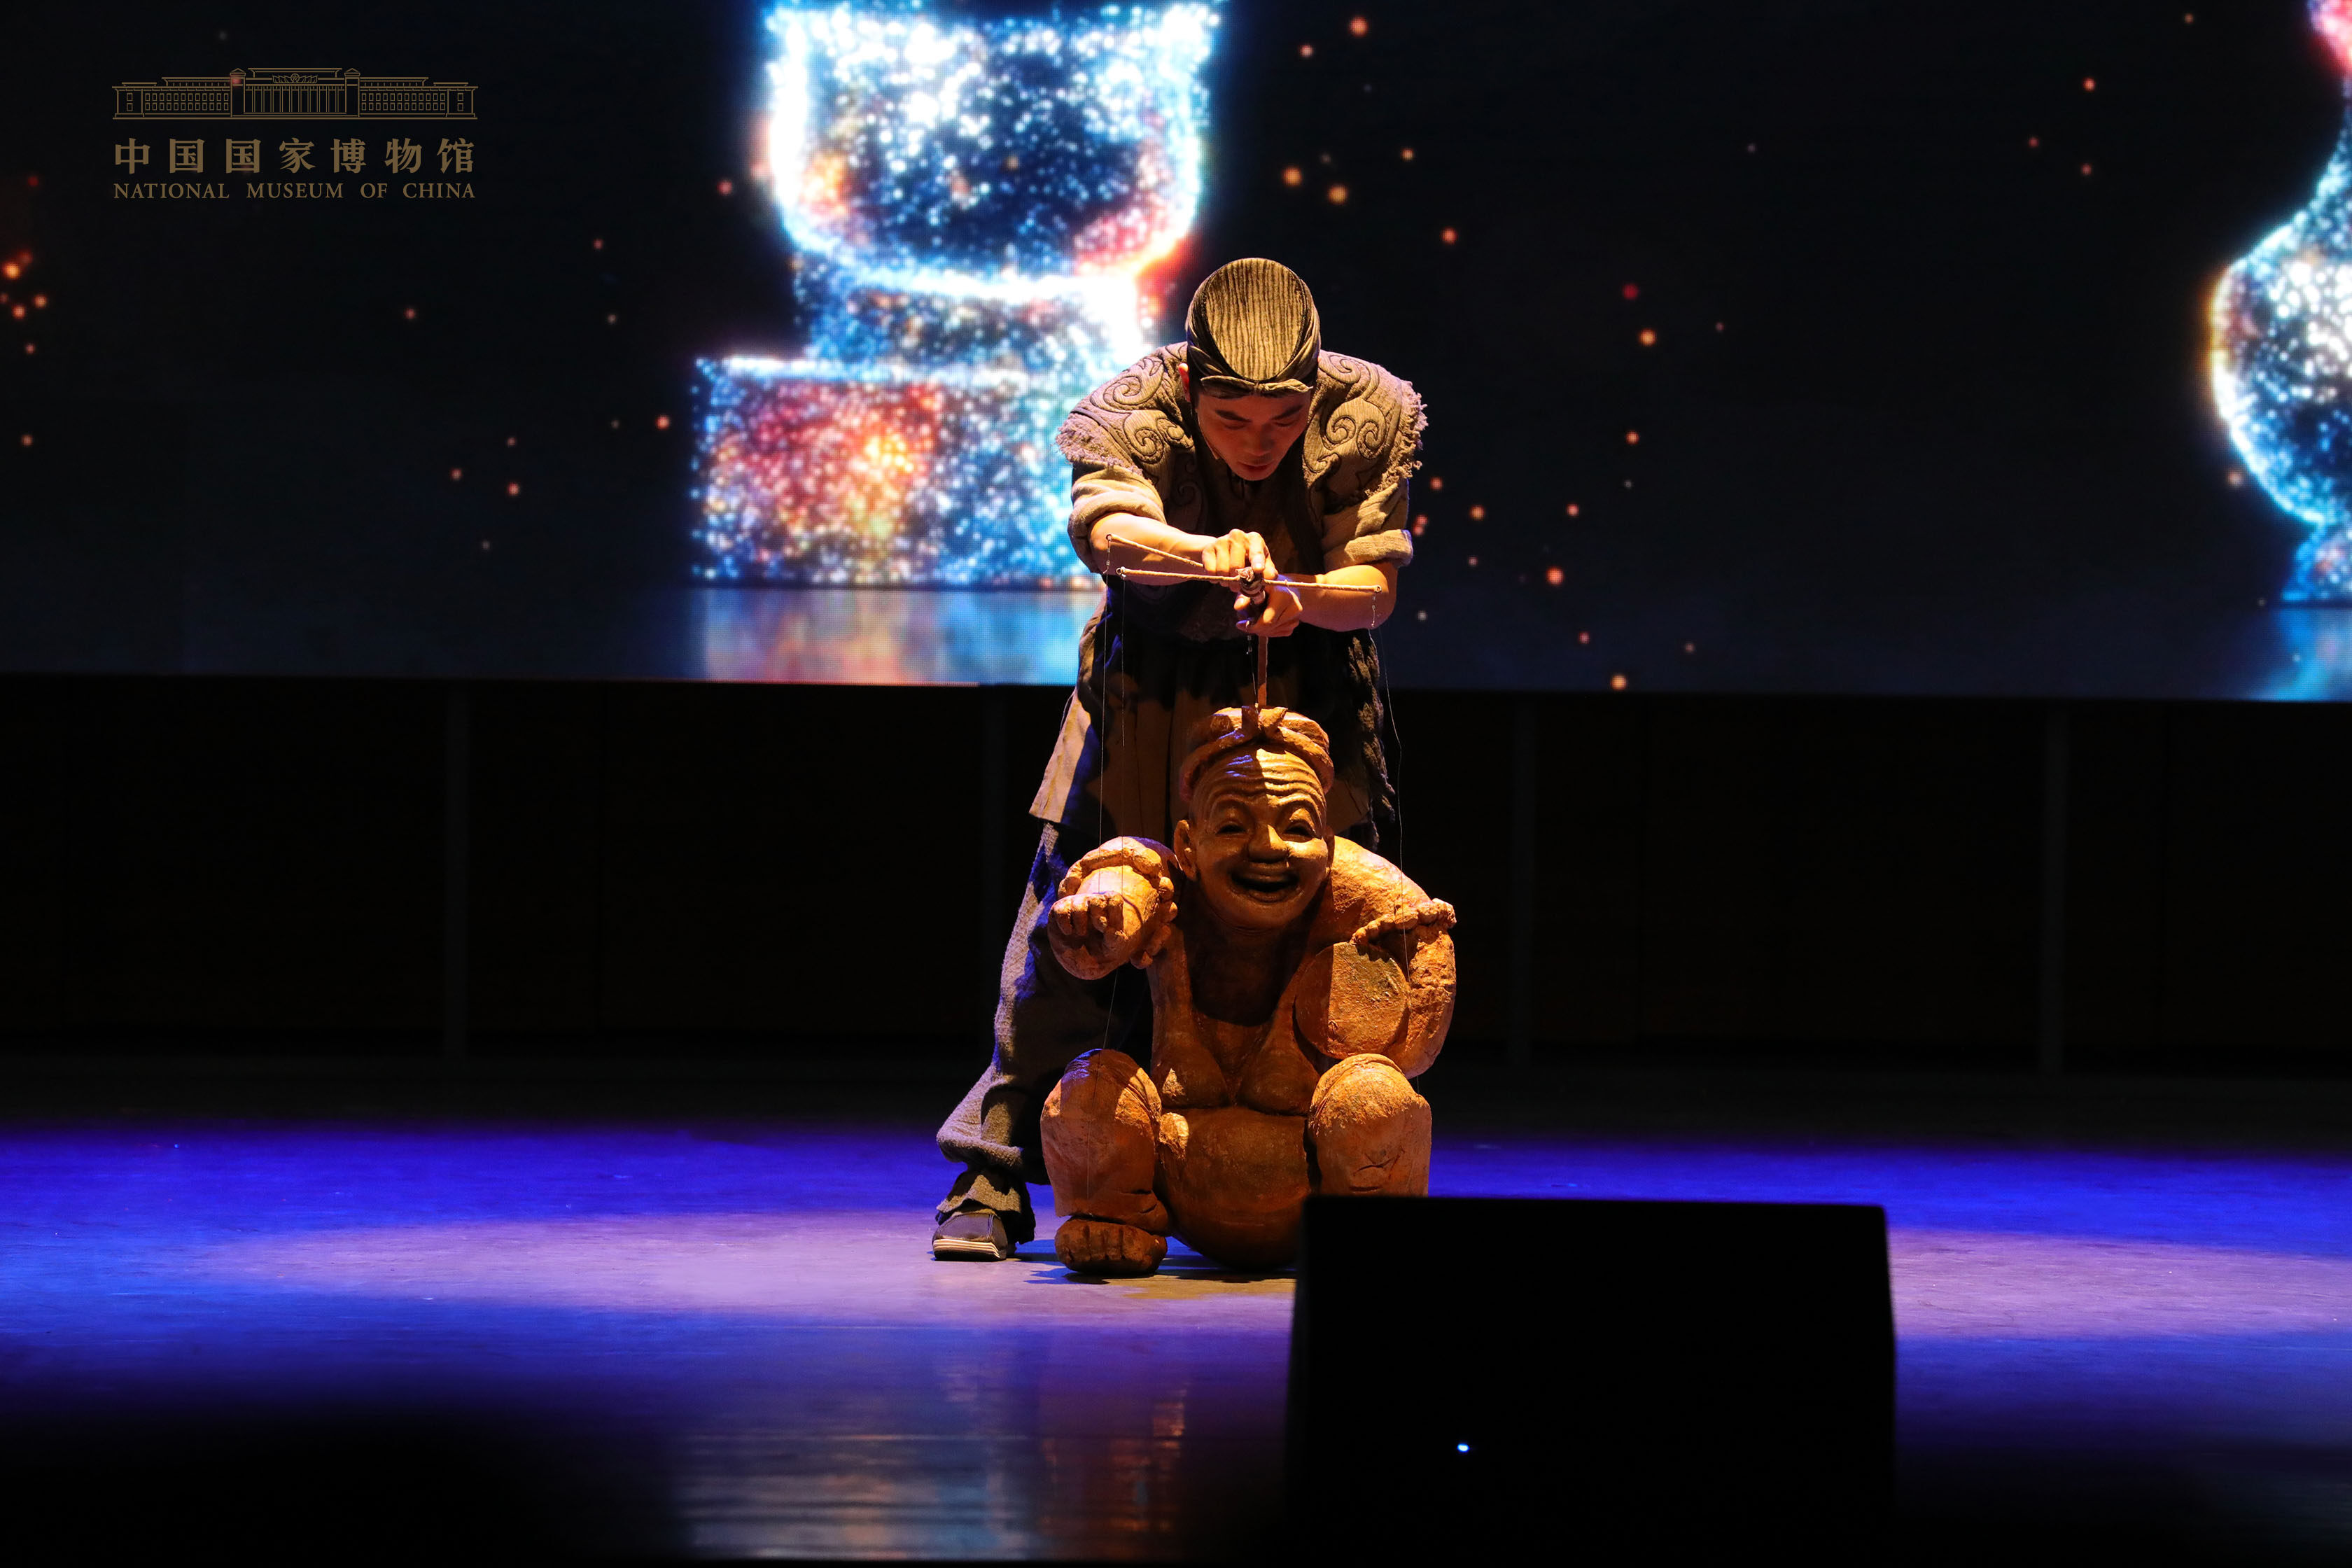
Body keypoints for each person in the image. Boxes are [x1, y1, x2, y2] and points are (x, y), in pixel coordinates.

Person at [932, 258, 1426, 1259]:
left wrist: (1300, 599)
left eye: (1283, 421)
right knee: (1081, 914)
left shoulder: (1367, 411)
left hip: (1306, 689)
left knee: (1329, 930)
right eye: (1232, 419)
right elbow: (1107, 530)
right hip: (1148, 690)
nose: (1259, 443)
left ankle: (1334, 1177)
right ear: (1194, 386)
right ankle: (994, 1167)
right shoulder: (1134, 408)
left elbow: (1374, 586)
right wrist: (1205, 554)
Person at [1036, 704, 1456, 1277]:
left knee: (1378, 1095)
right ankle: (1112, 1217)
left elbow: (1426, 958)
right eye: (1232, 826)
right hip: (1177, 1193)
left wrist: (1387, 1038)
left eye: (1298, 828)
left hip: (1310, 1202)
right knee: (1088, 1086)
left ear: (1328, 843)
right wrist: (1099, 918)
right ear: (1188, 844)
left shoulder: (1355, 888)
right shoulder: (1171, 884)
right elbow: (1116, 894)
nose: (1268, 848)